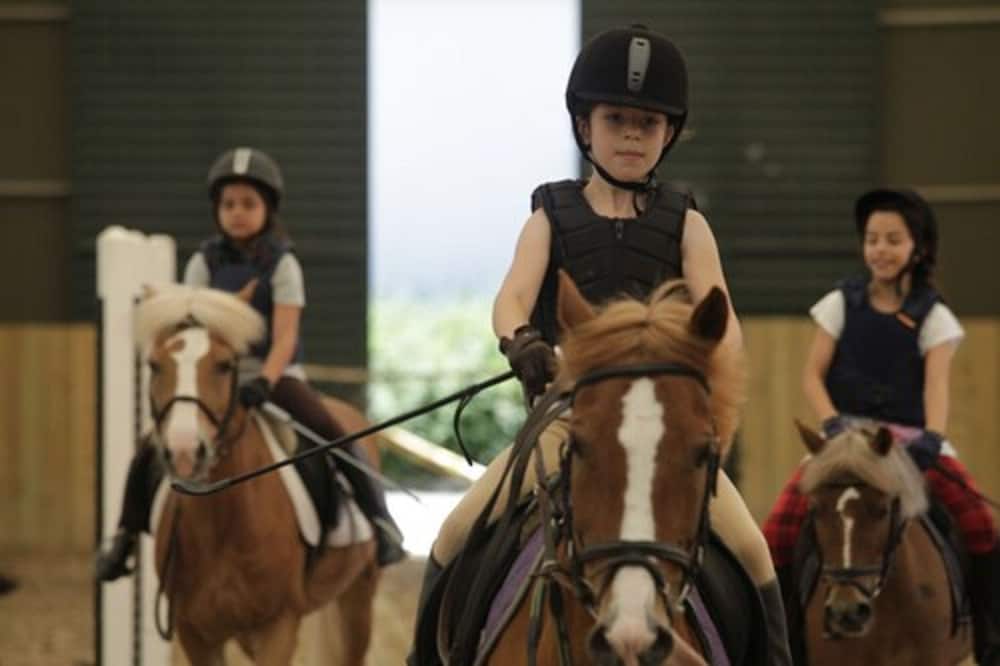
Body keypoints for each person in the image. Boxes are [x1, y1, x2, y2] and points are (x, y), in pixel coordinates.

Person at [410, 25, 792, 665]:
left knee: (754, 552)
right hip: (572, 421)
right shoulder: (549, 215)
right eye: (617, 120)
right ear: (585, 126)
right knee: (454, 532)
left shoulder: (688, 223)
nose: (632, 136)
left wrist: (709, 395)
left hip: (662, 429)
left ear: (669, 133)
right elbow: (512, 296)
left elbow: (719, 316)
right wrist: (522, 341)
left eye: (648, 123)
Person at [96, 147, 404, 580]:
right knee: (151, 447)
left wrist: (265, 380)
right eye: (229, 205)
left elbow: (285, 336)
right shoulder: (203, 262)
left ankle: (381, 522)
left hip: (274, 373)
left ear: (267, 209)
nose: (237, 213)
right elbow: (192, 329)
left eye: (248, 204)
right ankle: (125, 537)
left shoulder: (283, 264)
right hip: (212, 374)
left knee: (330, 429)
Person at [763, 187, 1000, 664]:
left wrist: (933, 437)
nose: (881, 250)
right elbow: (812, 375)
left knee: (980, 523)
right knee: (777, 531)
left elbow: (936, 384)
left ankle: (990, 635)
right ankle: (782, 643)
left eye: (893, 239)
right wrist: (831, 424)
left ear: (918, 247)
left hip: (908, 442)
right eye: (872, 239)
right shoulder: (839, 303)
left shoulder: (934, 315)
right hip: (844, 440)